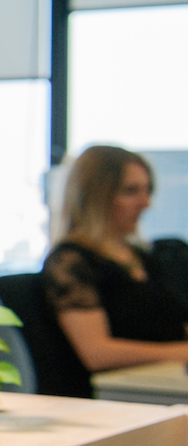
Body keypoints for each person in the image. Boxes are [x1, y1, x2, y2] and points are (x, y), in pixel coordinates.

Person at [43, 145, 188, 372]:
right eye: (131, 191)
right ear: (96, 196)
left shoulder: (143, 257)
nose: (145, 203)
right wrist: (181, 352)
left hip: (165, 376)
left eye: (147, 190)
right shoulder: (71, 262)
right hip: (122, 388)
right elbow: (97, 353)